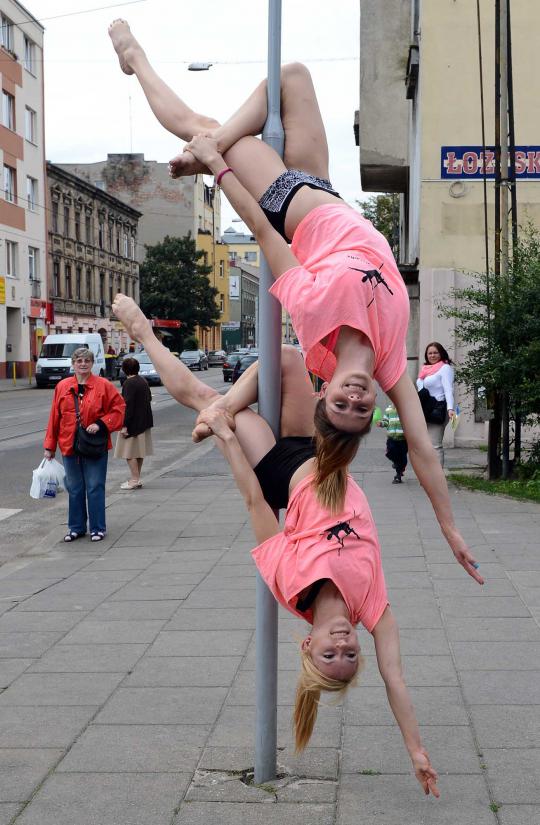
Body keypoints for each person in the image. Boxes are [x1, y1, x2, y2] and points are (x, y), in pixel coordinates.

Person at [107, 21, 483, 586]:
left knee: (234, 107)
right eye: (361, 410)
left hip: (292, 208)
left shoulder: (313, 319)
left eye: (341, 406)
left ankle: (141, 68)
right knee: (298, 78)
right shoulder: (387, 363)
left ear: (325, 394)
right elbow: (426, 455)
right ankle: (202, 145)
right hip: (331, 197)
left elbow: (262, 232)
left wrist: (219, 166)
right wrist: (450, 528)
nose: (355, 401)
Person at [111, 296, 438, 796]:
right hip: (324, 454)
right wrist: (415, 750)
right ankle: (217, 406)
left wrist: (224, 436)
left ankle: (146, 336)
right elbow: (396, 678)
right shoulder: (372, 606)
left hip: (277, 471)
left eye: (332, 656)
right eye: (351, 656)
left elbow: (255, 505)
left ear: (310, 645)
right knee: (286, 358)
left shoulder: (293, 588)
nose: (345, 647)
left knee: (207, 398)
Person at [43, 347, 125, 542]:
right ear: (73, 364)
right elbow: (55, 417)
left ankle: (97, 528)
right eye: (79, 361)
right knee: (75, 488)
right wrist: (49, 446)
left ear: (92, 363)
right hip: (69, 445)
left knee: (95, 486)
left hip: (94, 445)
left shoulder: (103, 385)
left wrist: (101, 424)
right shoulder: (63, 387)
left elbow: (119, 409)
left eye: (86, 361)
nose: (83, 364)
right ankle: (76, 527)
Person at [114, 356, 154, 489]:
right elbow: (148, 398)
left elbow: (127, 405)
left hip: (132, 424)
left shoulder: (128, 383)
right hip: (144, 422)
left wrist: (124, 425)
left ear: (124, 370)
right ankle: (136, 478)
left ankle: (134, 479)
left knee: (129, 453)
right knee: (139, 452)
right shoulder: (143, 381)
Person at [416, 342, 455, 467]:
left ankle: (438, 478)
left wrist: (450, 408)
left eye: (435, 352)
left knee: (435, 445)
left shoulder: (445, 368)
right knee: (425, 446)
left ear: (441, 353)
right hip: (424, 409)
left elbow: (448, 389)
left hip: (438, 409)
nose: (432, 355)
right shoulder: (425, 370)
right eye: (430, 353)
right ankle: (429, 475)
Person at [379, 402, 408, 484]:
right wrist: (381, 423)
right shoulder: (388, 410)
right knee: (390, 453)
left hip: (403, 438)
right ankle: (396, 463)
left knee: (402, 457)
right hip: (391, 437)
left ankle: (398, 475)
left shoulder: (404, 409)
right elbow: (386, 421)